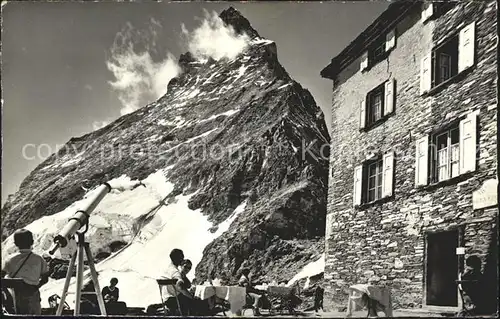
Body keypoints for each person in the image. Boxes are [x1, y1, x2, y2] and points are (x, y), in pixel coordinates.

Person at [1, 229, 50, 315]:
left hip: (15, 297)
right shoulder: (39, 259)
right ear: (32, 242)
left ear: (15, 243)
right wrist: (36, 287)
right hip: (33, 295)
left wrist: (6, 292)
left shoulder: (9, 259)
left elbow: (2, 277)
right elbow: (45, 278)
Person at [161, 249, 198, 315]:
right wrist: (191, 297)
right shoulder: (175, 272)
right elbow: (180, 287)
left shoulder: (167, 269)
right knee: (197, 302)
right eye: (182, 257)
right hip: (175, 300)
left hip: (166, 299)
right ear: (178, 258)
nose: (182, 259)